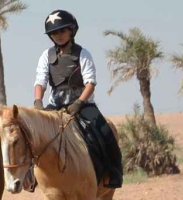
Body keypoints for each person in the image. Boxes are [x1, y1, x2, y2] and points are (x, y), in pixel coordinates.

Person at [36, 10, 124, 188]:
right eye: (54, 33)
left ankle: (113, 172)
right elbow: (40, 81)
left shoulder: (83, 54)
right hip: (56, 105)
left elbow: (90, 82)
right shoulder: (46, 55)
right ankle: (31, 177)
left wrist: (79, 103)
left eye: (62, 31)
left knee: (105, 132)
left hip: (82, 105)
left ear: (72, 30)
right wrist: (38, 101)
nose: (58, 36)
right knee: (35, 135)